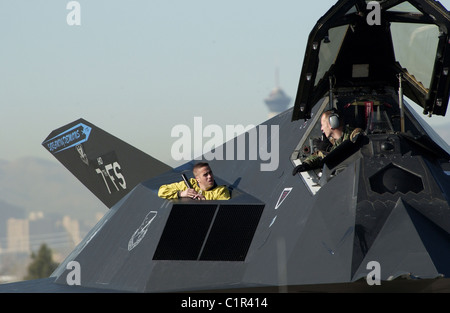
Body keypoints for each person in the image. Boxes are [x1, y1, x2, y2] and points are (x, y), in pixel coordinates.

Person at [292, 110, 363, 175]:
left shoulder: (355, 134)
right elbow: (323, 155)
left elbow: (344, 152)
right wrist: (307, 164)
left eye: (322, 125)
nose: (321, 129)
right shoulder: (335, 143)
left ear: (333, 122)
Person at [158, 162, 231, 200]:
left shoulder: (221, 191)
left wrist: (206, 202)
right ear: (197, 179)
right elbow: (162, 190)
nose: (210, 176)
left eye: (210, 173)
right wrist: (181, 193)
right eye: (205, 175)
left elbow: (224, 211)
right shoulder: (189, 184)